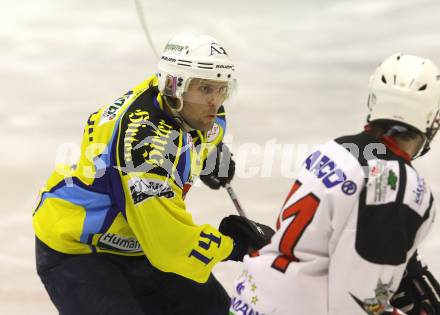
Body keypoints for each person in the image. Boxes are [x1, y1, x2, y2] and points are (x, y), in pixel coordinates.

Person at [33, 33, 274, 315]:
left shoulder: (185, 105)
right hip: (80, 249)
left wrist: (208, 154)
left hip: (136, 241)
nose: (215, 101)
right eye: (206, 89)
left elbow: (199, 132)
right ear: (175, 86)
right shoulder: (146, 156)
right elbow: (171, 245)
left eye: (222, 89)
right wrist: (233, 245)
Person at [229, 53, 440, 315]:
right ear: (432, 119)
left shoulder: (337, 148)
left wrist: (408, 267)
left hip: (250, 300)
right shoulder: (405, 186)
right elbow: (355, 305)